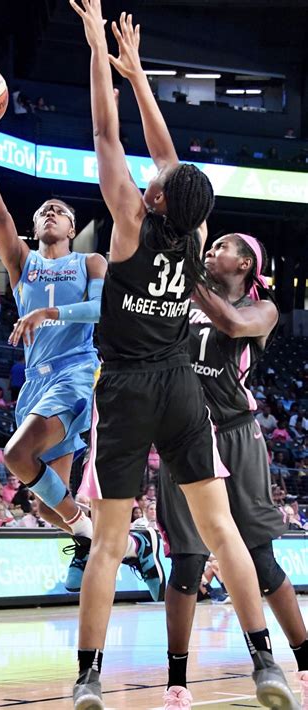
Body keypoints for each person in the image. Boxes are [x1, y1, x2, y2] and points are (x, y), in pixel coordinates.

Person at [70, 4, 297, 709]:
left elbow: (107, 132)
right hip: (181, 391)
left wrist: (95, 51)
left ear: (158, 198)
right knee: (221, 529)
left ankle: (88, 678)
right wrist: (138, 72)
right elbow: (168, 158)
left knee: (107, 543)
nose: (151, 179)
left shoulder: (132, 225)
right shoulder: (194, 231)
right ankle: (267, 665)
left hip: (129, 390)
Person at [157, 232, 308, 706]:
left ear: (245, 263)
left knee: (260, 559)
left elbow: (228, 320)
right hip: (183, 434)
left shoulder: (262, 311)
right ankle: (177, 682)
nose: (210, 250)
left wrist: (188, 269)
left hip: (235, 433)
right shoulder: (183, 292)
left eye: (220, 246)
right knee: (186, 562)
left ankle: (304, 663)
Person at [0, 111, 107, 549]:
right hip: (34, 382)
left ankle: (86, 531)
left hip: (76, 371)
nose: (51, 214)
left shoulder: (89, 262)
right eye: (44, 211)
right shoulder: (25, 263)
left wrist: (48, 314)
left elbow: (99, 311)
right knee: (45, 507)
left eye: (60, 211)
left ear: (73, 228)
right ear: (35, 226)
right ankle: (130, 548)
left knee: (16, 454)